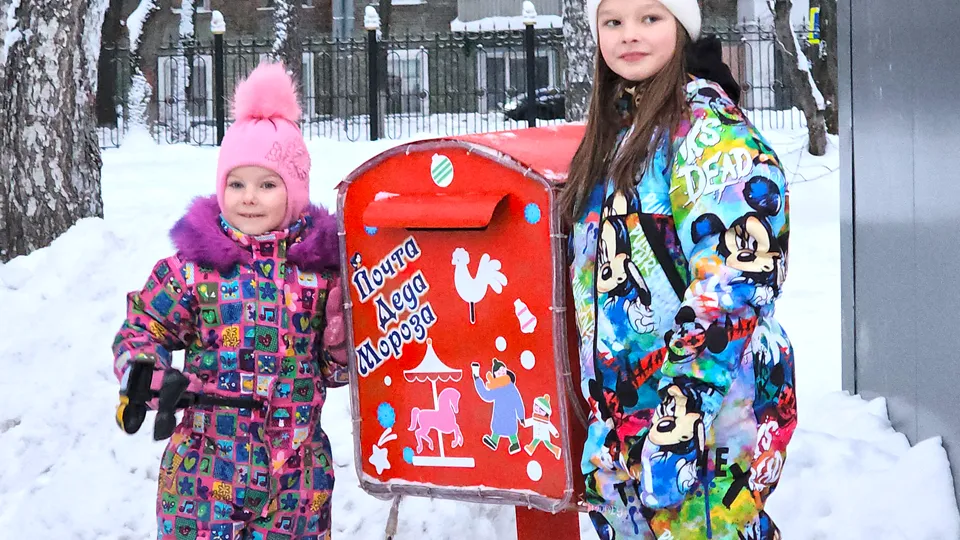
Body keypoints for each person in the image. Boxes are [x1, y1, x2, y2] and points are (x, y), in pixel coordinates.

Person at [563, 0, 796, 538]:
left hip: (705, 430)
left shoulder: (707, 133)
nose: (629, 35)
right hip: (624, 432)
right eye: (612, 21)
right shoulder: (617, 132)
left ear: (682, 26)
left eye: (650, 18)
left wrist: (678, 426)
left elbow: (734, 286)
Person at [111, 62, 347, 540]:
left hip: (297, 482)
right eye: (236, 184)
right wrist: (146, 374)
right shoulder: (194, 269)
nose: (249, 198)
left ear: (295, 192)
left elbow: (330, 373)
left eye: (267, 184)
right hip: (204, 478)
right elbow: (144, 325)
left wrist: (340, 347)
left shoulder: (320, 276)